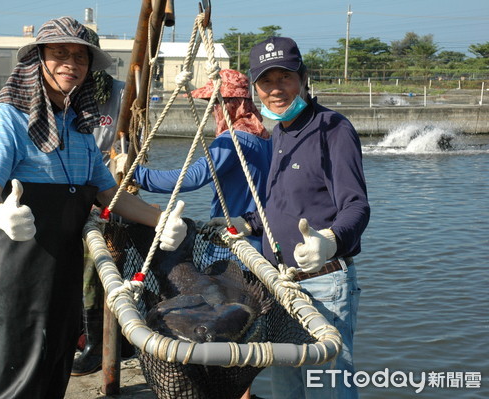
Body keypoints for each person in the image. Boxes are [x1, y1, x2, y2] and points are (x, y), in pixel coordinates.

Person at [0, 17, 186, 399]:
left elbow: (109, 194)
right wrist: (1, 214)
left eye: (80, 57)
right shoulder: (8, 116)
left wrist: (161, 219)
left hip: (65, 271)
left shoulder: (79, 125)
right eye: (59, 54)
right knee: (14, 373)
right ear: (38, 59)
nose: (71, 63)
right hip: (17, 273)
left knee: (56, 365)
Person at [211, 37, 370, 398]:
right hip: (281, 285)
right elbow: (280, 204)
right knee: (287, 389)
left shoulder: (333, 128)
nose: (276, 89)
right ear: (256, 88)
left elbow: (356, 206)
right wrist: (246, 222)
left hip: (324, 284)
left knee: (329, 388)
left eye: (285, 77)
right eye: (267, 81)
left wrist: (330, 241)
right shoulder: (278, 132)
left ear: (303, 78)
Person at [134, 68, 272, 257]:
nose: (213, 110)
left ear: (229, 104)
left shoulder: (234, 139)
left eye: (215, 103)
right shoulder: (264, 138)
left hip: (235, 246)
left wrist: (136, 174)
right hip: (260, 241)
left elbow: (192, 178)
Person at [71, 27, 126, 377]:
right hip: (76, 190)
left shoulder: (121, 93)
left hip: (110, 192)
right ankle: (82, 334)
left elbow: (131, 137)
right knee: (77, 270)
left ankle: (99, 345)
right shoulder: (71, 93)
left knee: (98, 269)